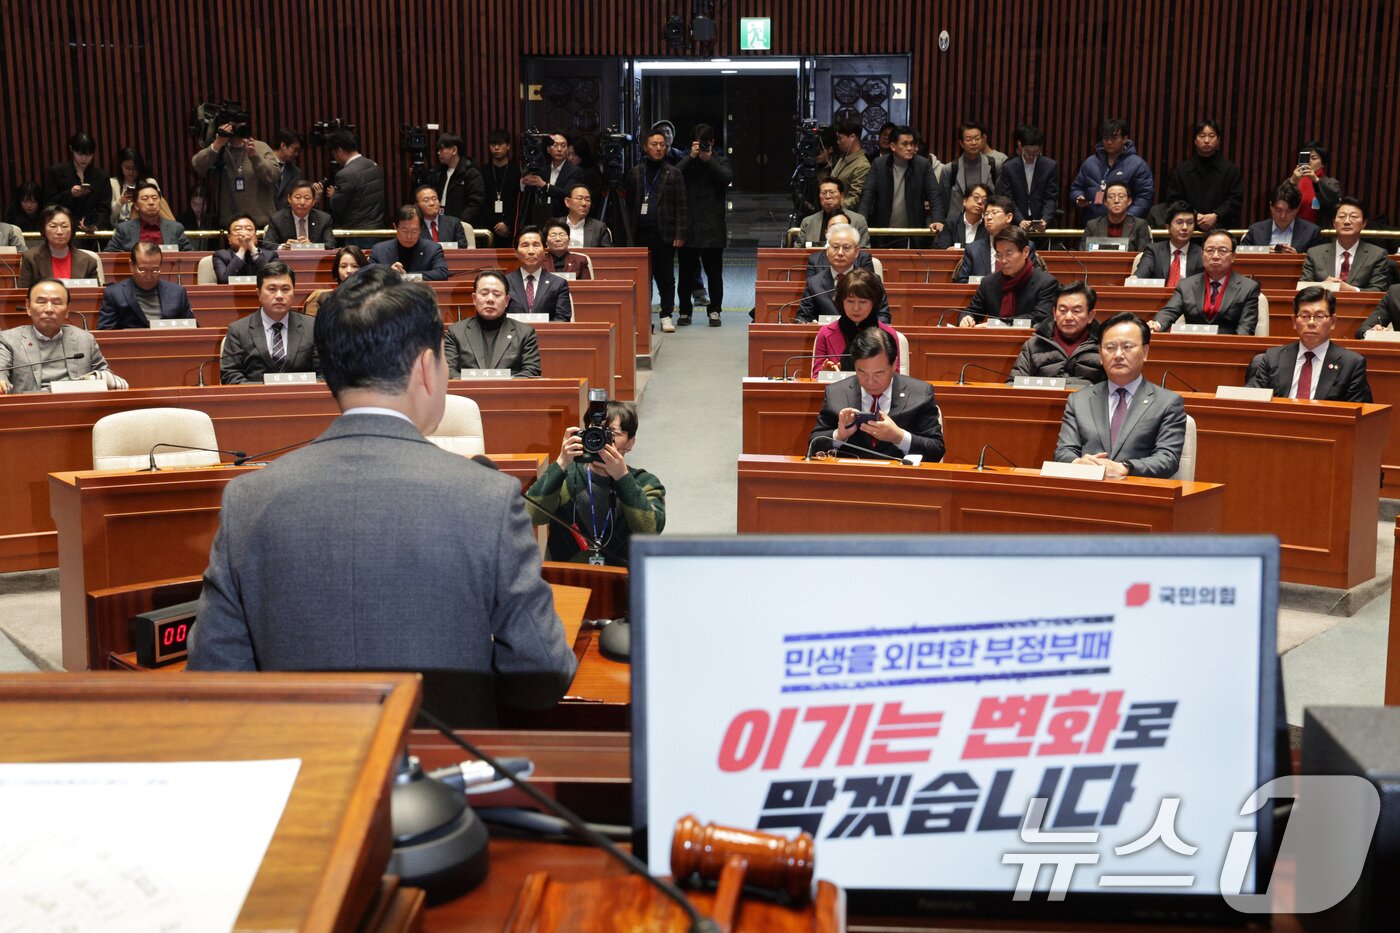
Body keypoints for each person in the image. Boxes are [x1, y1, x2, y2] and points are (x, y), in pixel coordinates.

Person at [188, 264, 577, 723]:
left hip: (304, 760)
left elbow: (215, 675)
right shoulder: (487, 497)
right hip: (443, 762)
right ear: (426, 368)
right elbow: (542, 672)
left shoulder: (248, 500)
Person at [526, 399, 665, 567]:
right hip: (567, 577)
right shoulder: (566, 476)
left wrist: (622, 477)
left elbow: (650, 531)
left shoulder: (645, 482)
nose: (602, 441)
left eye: (611, 434)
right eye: (596, 432)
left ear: (630, 442)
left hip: (622, 578)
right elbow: (531, 516)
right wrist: (561, 463)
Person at [1054, 312, 1186, 479]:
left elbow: (1168, 458)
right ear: (1100, 354)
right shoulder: (1079, 400)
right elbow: (1064, 451)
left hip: (1137, 490)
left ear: (1145, 352)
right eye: (1110, 348)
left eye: (1127, 347)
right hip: (1088, 488)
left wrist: (1125, 468)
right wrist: (1077, 462)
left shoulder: (1167, 403)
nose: (1118, 355)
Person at [808, 328, 944, 462]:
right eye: (862, 372)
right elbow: (813, 446)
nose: (870, 382)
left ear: (894, 365)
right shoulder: (836, 393)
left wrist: (898, 437)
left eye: (878, 373)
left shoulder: (920, 393)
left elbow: (936, 450)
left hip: (899, 475)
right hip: (851, 474)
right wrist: (838, 436)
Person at [1246, 287, 1370, 403]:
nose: (1311, 323)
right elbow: (1252, 403)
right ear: (1294, 321)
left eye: (1319, 316)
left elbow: (1359, 412)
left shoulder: (1351, 364)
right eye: (1304, 316)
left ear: (1333, 322)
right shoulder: (1273, 358)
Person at [1, 279, 124, 393]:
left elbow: (106, 377)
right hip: (30, 406)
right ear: (28, 307)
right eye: (41, 302)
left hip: (76, 405)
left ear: (67, 310)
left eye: (56, 303)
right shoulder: (9, 340)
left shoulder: (84, 339)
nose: (49, 309)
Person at [625, 128, 686, 332]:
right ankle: (643, 315)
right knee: (643, 278)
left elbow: (681, 206)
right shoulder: (635, 173)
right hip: (640, 234)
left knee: (665, 277)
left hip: (664, 233)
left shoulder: (674, 173)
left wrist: (680, 233)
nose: (659, 148)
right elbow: (629, 206)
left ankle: (666, 314)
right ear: (645, 147)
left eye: (662, 145)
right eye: (654, 144)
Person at [219, 261, 318, 383]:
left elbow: (325, 374)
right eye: (272, 289)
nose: (279, 296)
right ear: (259, 293)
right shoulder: (238, 331)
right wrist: (265, 390)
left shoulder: (312, 327)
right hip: (255, 395)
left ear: (294, 291)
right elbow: (230, 376)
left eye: (285, 289)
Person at [1151, 229, 1259, 335]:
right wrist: (1157, 324)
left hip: (1228, 344)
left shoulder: (1248, 288)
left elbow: (1246, 328)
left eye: (1223, 251)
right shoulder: (1186, 285)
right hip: (1192, 343)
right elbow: (1169, 311)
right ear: (1202, 254)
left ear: (1233, 257)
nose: (1215, 256)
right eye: (1210, 250)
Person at [676, 122, 732, 326]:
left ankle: (715, 310)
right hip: (688, 226)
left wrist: (709, 160)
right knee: (685, 273)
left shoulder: (720, 160)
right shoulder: (687, 161)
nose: (702, 147)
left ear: (712, 142)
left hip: (712, 227)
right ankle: (685, 311)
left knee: (714, 274)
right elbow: (673, 176)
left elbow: (726, 178)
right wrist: (691, 157)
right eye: (698, 143)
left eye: (705, 143)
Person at [857, 124, 944, 247]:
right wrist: (860, 222)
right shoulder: (879, 164)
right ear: (893, 146)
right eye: (905, 144)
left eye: (912, 144)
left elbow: (934, 194)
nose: (910, 148)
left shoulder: (923, 165)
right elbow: (867, 196)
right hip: (883, 230)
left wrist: (938, 220)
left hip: (913, 231)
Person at [445, 271, 541, 378]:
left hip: (510, 389)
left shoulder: (525, 333)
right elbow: (447, 371)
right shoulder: (456, 332)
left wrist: (501, 385)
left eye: (497, 294)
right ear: (474, 299)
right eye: (484, 293)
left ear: (506, 301)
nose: (490, 299)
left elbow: (531, 371)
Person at [959, 227, 1059, 327]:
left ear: (1025, 252)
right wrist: (967, 317)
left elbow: (1040, 318)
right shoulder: (988, 283)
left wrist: (999, 324)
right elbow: (972, 310)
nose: (1003, 260)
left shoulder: (1046, 283)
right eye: (999, 254)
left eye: (1009, 253)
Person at [1009, 281, 1105, 387]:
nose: (1068, 317)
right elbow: (1013, 384)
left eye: (1076, 311)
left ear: (1090, 316)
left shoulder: (1104, 345)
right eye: (1063, 310)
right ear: (1054, 313)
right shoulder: (1034, 345)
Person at [812, 269, 902, 377]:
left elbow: (894, 379)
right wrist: (824, 374)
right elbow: (816, 378)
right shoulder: (825, 333)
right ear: (842, 301)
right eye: (850, 301)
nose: (856, 308)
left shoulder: (888, 335)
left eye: (863, 302)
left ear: (874, 302)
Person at [191, 122, 280, 227]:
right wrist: (217, 145)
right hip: (228, 224)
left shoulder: (261, 147)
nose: (236, 126)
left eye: (240, 122)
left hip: (262, 223)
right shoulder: (219, 149)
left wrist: (255, 157)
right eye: (232, 123)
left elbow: (274, 176)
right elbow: (198, 166)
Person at [795, 223, 888, 324]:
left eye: (846, 248)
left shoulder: (873, 281)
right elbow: (802, 317)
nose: (840, 253)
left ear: (857, 252)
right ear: (827, 251)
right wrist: (809, 324)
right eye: (835, 247)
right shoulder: (814, 283)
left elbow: (883, 316)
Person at [1161, 119, 1243, 230]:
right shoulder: (1181, 171)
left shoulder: (1231, 170)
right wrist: (1195, 216)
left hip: (1222, 229)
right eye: (1202, 136)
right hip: (1188, 229)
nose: (1206, 140)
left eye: (1211, 136)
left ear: (1218, 140)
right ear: (1195, 140)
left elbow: (1235, 201)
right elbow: (1174, 201)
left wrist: (1217, 215)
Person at [1299, 198, 1394, 292]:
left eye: (1354, 217)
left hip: (1358, 302)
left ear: (1364, 224)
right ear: (1334, 223)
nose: (1347, 222)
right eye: (1341, 216)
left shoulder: (1377, 255)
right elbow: (1302, 288)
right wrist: (1324, 287)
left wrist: (1352, 290)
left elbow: (1378, 290)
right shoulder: (1314, 254)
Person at [1069, 118, 1154, 220]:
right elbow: (1077, 188)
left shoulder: (1138, 165)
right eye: (1106, 138)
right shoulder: (1090, 162)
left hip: (1125, 224)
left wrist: (1127, 218)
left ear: (1125, 139)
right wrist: (1078, 197)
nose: (1109, 142)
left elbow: (1144, 197)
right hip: (1092, 223)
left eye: (1114, 138)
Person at [97, 242, 194, 329]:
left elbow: (192, 329)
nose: (148, 276)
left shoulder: (178, 293)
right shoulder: (114, 294)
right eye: (142, 270)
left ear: (161, 266)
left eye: (155, 270)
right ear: (131, 266)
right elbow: (105, 334)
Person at [322, 130, 386, 238]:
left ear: (340, 151)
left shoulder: (345, 174)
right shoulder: (373, 165)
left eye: (334, 154)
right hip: (378, 227)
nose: (335, 158)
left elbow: (337, 206)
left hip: (357, 231)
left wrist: (333, 195)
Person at [956, 195, 1036, 282]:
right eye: (986, 214)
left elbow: (1030, 279)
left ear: (1009, 217)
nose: (989, 217)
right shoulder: (973, 249)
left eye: (994, 213)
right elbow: (962, 281)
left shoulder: (1024, 245)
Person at [43, 132, 110, 232]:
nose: (84, 159)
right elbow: (49, 204)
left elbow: (105, 209)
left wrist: (94, 225)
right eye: (79, 154)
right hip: (64, 229)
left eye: (89, 155)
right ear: (71, 149)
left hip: (93, 231)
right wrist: (70, 194)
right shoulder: (56, 172)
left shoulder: (102, 176)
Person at [17, 206, 99, 288]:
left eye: (64, 226)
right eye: (53, 226)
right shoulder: (31, 258)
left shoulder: (89, 261)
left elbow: (95, 294)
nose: (59, 232)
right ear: (44, 229)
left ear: (72, 229)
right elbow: (23, 292)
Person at [997, 125, 1059, 229]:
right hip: (1016, 223)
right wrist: (1020, 220)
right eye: (1027, 152)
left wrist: (1045, 219)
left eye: (1035, 153)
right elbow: (1008, 198)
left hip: (1042, 223)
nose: (1031, 156)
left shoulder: (1050, 166)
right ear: (1020, 145)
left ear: (1040, 148)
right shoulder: (1009, 167)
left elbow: (1051, 197)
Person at [104, 182, 193, 252]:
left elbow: (190, 254)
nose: (151, 202)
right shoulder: (124, 229)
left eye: (155, 198)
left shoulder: (175, 228)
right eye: (145, 199)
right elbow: (108, 254)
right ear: (136, 206)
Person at [507, 226, 572, 320]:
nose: (531, 251)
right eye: (525, 245)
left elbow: (562, 319)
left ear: (544, 251)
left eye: (536, 245)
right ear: (516, 252)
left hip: (548, 330)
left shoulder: (559, 284)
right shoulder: (504, 283)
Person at [368, 205, 450, 280]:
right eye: (404, 231)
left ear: (421, 229)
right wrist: (389, 273)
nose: (409, 236)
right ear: (395, 227)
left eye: (414, 231)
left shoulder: (433, 249)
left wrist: (407, 277)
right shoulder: (379, 250)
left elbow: (441, 273)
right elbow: (367, 275)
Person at [941, 122, 1000, 222]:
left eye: (977, 138)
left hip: (987, 222)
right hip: (957, 224)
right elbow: (943, 202)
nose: (973, 143)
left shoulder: (995, 166)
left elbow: (999, 198)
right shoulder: (950, 169)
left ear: (983, 140)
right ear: (961, 143)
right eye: (968, 139)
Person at [1136, 201, 1204, 285]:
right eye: (1179, 222)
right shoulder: (1154, 251)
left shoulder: (1201, 253)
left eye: (1190, 223)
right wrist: (1134, 278)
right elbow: (1143, 271)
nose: (1185, 227)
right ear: (1168, 227)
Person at [1241, 185, 1322, 253]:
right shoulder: (1255, 230)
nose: (1283, 216)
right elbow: (1241, 253)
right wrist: (1264, 251)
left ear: (1297, 208)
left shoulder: (1311, 232)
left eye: (1289, 211)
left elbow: (1319, 261)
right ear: (1271, 206)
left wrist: (1297, 258)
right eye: (1278, 210)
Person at [522, 132, 583, 222]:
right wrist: (524, 182)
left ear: (567, 150)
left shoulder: (575, 171)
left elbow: (568, 194)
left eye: (563, 145)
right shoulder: (542, 171)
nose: (559, 149)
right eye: (555, 145)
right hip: (542, 218)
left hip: (564, 219)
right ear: (548, 149)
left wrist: (545, 186)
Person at [262, 179, 337, 250]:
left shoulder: (324, 219)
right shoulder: (277, 219)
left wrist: (312, 246)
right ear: (289, 199)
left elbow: (330, 245)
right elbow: (267, 244)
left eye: (307, 198)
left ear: (314, 201)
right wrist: (284, 247)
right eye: (298, 197)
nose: (302, 202)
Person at [1079, 183, 1152, 252]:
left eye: (1121, 197)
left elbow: (1145, 254)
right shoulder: (1092, 225)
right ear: (1105, 202)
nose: (1116, 201)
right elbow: (1082, 253)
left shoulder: (1139, 225)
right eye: (1111, 197)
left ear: (1129, 201)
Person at [107, 146, 170, 226]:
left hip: (148, 224)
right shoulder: (113, 183)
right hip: (120, 227)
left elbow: (160, 208)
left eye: (135, 168)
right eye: (127, 168)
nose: (131, 172)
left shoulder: (150, 182)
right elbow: (109, 217)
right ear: (120, 166)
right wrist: (120, 202)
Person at [798, 178, 870, 247]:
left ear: (842, 196)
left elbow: (864, 250)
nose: (827, 196)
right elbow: (798, 250)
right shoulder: (808, 222)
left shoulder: (858, 220)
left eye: (832, 192)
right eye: (823, 193)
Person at [431, 132, 485, 223]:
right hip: (440, 221)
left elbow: (476, 202)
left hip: (461, 224)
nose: (438, 153)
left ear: (454, 150)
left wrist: (462, 221)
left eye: (441, 149)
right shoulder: (439, 172)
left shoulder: (470, 173)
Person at [479, 128, 521, 246]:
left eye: (500, 144)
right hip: (488, 227)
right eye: (493, 144)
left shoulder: (517, 171)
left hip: (512, 226)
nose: (496, 148)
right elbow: (481, 200)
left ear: (508, 146)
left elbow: (519, 201)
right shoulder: (482, 171)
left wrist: (508, 224)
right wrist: (495, 223)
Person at [1285, 141, 1341, 228]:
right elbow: (1278, 200)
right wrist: (1292, 181)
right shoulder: (1294, 180)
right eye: (1306, 158)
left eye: (1313, 158)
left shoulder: (1331, 182)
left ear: (1322, 163)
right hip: (1292, 228)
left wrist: (1315, 179)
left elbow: (1333, 201)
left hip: (1319, 229)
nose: (1309, 162)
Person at [301, 245, 366, 318]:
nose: (349, 271)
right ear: (337, 270)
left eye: (355, 266)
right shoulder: (324, 299)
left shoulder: (373, 299)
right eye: (343, 266)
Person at [212, 215, 279, 283]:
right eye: (238, 229)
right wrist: (242, 249)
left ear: (255, 236)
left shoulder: (270, 256)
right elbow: (224, 281)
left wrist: (252, 248)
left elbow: (273, 279)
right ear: (229, 238)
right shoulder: (221, 256)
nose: (244, 233)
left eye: (248, 229)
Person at [828, 118, 871, 210]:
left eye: (840, 138)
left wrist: (833, 207)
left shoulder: (862, 165)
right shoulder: (843, 158)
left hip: (844, 213)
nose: (838, 142)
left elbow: (855, 198)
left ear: (852, 138)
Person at [934, 183, 990, 249]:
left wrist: (960, 248)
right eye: (976, 198)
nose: (980, 202)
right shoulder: (951, 223)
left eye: (984, 200)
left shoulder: (988, 225)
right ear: (964, 201)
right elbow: (943, 247)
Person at [271, 129, 304, 203]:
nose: (296, 154)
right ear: (283, 145)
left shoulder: (296, 172)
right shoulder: (262, 164)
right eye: (295, 149)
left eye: (298, 151)